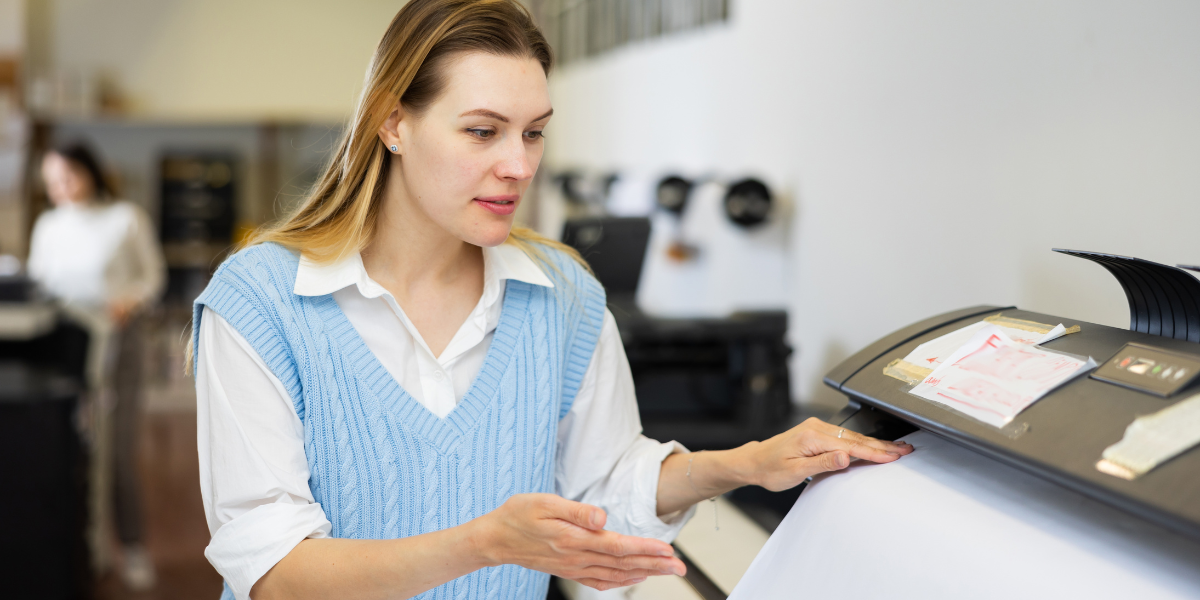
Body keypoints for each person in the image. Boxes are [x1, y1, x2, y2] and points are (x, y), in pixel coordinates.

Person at [191, 1, 914, 599]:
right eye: (483, 131)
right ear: (393, 123)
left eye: (534, 133)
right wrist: (481, 544)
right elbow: (274, 572)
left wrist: (746, 463)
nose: (519, 166)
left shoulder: (562, 296)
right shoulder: (261, 303)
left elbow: (610, 481)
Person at [29, 141, 166, 591]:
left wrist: (130, 301)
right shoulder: (48, 225)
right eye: (50, 182)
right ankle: (81, 545)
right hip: (64, 349)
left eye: (67, 177)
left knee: (116, 452)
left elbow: (153, 278)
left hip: (115, 346)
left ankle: (133, 546)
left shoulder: (126, 218)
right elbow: (37, 283)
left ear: (90, 172)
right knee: (65, 452)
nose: (59, 189)